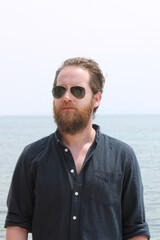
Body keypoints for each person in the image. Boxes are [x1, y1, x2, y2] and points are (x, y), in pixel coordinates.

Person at [5, 57, 150, 240]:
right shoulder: (31, 157)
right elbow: (17, 224)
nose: (66, 97)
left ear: (96, 99)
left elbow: (135, 230)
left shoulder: (123, 157)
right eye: (60, 90)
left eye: (77, 91)